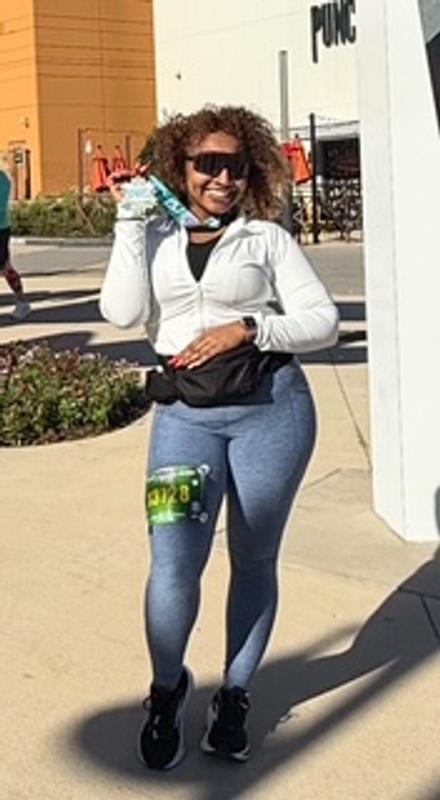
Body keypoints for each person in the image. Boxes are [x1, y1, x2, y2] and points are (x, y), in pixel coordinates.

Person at [99, 104, 339, 770]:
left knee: (255, 560)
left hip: (272, 412)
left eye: (236, 166)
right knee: (174, 563)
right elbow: (121, 311)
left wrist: (249, 328)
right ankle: (166, 689)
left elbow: (321, 320)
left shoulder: (265, 239)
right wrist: (129, 223)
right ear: (180, 167)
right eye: (208, 164)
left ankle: (234, 694)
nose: (223, 178)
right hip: (185, 418)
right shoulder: (153, 238)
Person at [0, 165, 31, 321]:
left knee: (5, 266)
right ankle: (22, 302)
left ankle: (22, 302)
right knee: (5, 267)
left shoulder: (2, 180)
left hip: (0, 229)